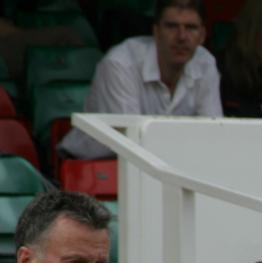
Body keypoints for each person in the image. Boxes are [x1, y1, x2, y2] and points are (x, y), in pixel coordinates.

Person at [60, 0, 222, 160]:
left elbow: (214, 132)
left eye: (191, 28)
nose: (181, 37)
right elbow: (131, 141)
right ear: (156, 32)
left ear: (202, 35)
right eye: (172, 26)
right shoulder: (121, 63)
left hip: (163, 164)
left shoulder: (205, 63)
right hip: (92, 167)